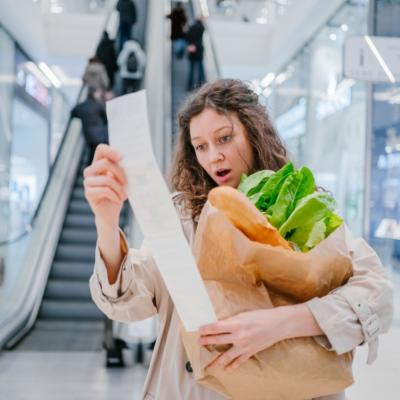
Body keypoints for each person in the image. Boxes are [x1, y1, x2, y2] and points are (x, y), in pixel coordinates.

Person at [84, 79, 393, 399]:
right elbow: (129, 300)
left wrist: (282, 323)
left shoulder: (302, 205)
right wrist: (106, 223)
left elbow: (376, 294)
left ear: (254, 132)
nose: (213, 156)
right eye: (200, 146)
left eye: (225, 138)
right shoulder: (182, 217)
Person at [71, 88, 108, 165]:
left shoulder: (81, 106)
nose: (99, 95)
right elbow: (106, 117)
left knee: (92, 154)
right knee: (101, 152)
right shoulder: (97, 105)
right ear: (93, 94)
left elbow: (73, 113)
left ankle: (90, 170)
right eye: (98, 93)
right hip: (100, 135)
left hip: (89, 136)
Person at [186, 16, 206, 91]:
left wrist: (190, 45)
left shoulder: (191, 27)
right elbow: (199, 40)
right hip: (199, 51)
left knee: (191, 69)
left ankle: (189, 86)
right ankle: (201, 85)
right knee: (200, 69)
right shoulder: (201, 27)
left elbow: (188, 37)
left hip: (192, 51)